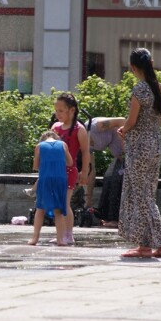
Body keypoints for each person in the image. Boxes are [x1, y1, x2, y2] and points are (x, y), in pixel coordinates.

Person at [118, 48, 161, 258]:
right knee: (147, 193)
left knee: (141, 196)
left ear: (133, 68)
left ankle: (158, 244)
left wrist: (123, 130)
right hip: (155, 145)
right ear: (152, 63)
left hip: (139, 147)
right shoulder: (160, 89)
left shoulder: (139, 90)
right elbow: (159, 119)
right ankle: (145, 245)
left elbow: (131, 121)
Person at [51, 93, 90, 245]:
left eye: (61, 110)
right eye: (56, 110)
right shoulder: (55, 127)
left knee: (64, 203)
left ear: (72, 110)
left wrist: (84, 172)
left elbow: (86, 152)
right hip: (55, 170)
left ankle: (69, 234)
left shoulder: (79, 130)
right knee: (56, 204)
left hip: (69, 171)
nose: (57, 114)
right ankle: (61, 234)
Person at [28, 131, 73, 246]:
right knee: (59, 210)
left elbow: (35, 166)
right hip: (60, 179)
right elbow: (70, 162)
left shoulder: (39, 146)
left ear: (43, 139)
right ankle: (60, 240)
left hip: (45, 178)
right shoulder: (63, 144)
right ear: (56, 138)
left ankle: (35, 238)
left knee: (40, 209)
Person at [85, 117, 126, 227]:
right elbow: (91, 170)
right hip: (118, 155)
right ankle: (108, 217)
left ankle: (117, 220)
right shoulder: (85, 146)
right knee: (108, 178)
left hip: (129, 150)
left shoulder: (95, 126)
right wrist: (88, 201)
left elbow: (122, 120)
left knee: (117, 179)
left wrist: (126, 144)